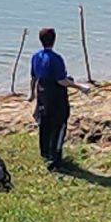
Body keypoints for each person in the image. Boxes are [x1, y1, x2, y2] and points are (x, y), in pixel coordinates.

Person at [28, 27, 87, 170]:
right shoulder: (56, 59)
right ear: (54, 40)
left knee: (45, 124)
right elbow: (61, 81)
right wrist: (80, 87)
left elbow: (33, 78)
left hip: (42, 94)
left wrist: (32, 95)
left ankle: (45, 153)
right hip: (56, 96)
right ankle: (55, 159)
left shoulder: (36, 57)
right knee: (59, 125)